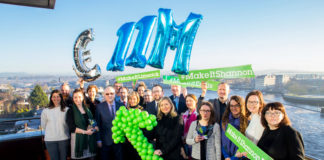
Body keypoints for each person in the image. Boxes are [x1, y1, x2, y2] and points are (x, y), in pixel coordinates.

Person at [66, 89, 97, 159]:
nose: (77, 99)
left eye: (79, 97)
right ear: (73, 99)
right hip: (78, 141)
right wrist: (86, 132)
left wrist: (93, 128)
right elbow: (72, 128)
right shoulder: (70, 111)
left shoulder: (88, 109)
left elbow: (93, 122)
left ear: (83, 98)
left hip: (90, 140)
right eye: (75, 97)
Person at [95, 86, 123, 160]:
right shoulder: (99, 107)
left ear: (115, 94)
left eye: (111, 93)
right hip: (105, 142)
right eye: (107, 94)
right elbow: (97, 124)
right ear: (104, 95)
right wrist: (99, 140)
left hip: (119, 141)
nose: (109, 95)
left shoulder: (121, 106)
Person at [41, 90, 69, 160]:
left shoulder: (67, 110)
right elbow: (43, 125)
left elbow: (69, 124)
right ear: (51, 98)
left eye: (58, 96)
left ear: (61, 98)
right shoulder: (45, 111)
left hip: (64, 139)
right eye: (54, 97)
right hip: (50, 140)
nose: (56, 98)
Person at [221, 95, 248, 160]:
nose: (234, 108)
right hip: (226, 157)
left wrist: (233, 158)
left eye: (237, 105)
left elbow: (247, 146)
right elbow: (222, 140)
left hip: (240, 157)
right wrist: (226, 156)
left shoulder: (247, 122)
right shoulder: (224, 120)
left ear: (241, 106)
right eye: (232, 106)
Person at [123, 91, 143, 160]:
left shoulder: (142, 110)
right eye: (130, 99)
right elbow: (123, 125)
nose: (132, 101)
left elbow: (144, 126)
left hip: (139, 139)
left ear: (138, 100)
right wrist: (127, 136)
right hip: (128, 140)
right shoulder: (125, 110)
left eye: (134, 99)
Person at [182, 94, 199, 159]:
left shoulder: (198, 114)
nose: (188, 102)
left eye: (190, 101)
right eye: (187, 101)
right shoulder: (184, 114)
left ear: (196, 101)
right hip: (184, 142)